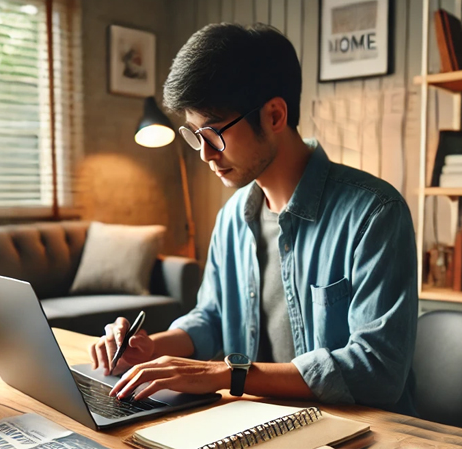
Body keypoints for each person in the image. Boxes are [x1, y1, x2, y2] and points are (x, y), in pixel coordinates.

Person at [89, 22, 418, 415]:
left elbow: (377, 370)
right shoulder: (233, 217)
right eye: (195, 136)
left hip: (357, 430)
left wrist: (229, 374)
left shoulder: (374, 214)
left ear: (274, 115)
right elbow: (211, 318)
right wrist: (151, 347)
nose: (205, 154)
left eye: (213, 134)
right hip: (255, 422)